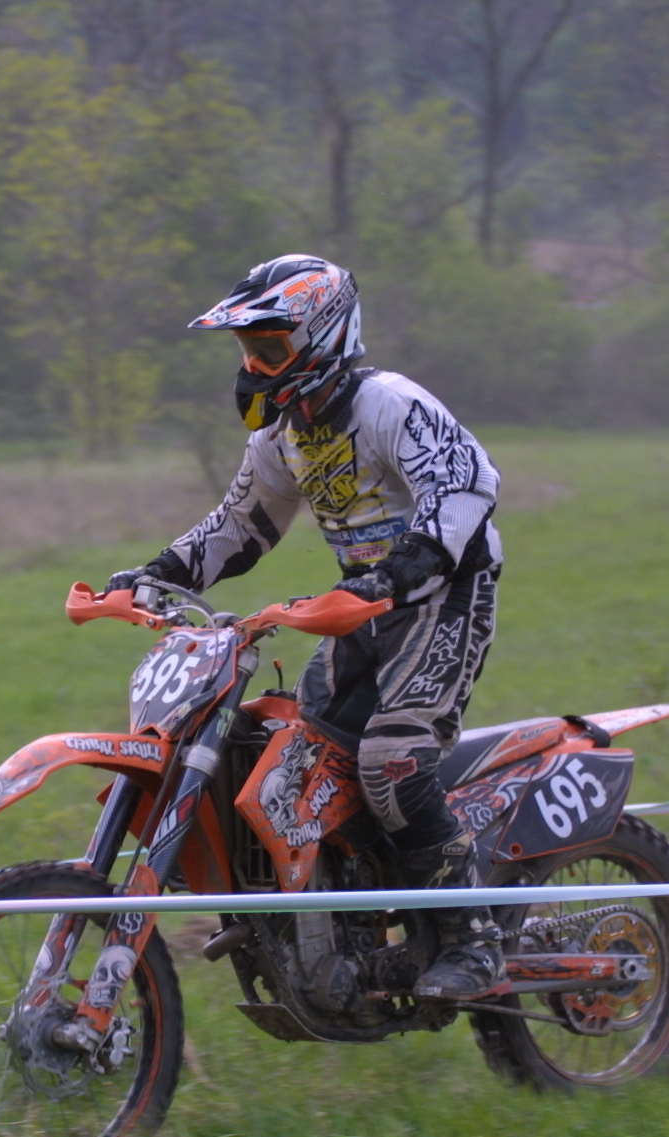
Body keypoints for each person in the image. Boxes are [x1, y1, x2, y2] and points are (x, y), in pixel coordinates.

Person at [107, 253, 506, 1001]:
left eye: (271, 347)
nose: (255, 366)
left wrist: (393, 576)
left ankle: (473, 938)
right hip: (360, 604)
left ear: (325, 336)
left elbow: (467, 486)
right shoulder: (281, 436)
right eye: (247, 350)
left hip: (442, 595)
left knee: (392, 761)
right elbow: (240, 527)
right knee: (303, 760)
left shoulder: (390, 404)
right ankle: (349, 917)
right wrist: (154, 574)